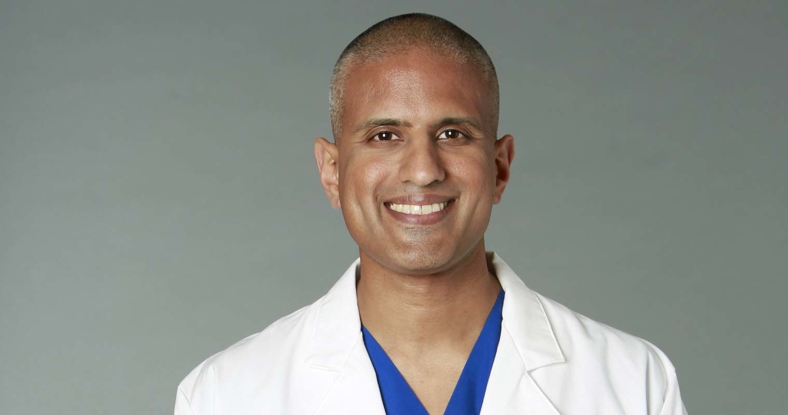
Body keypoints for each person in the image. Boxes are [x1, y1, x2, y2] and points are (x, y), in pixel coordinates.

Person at [174, 13, 687, 415]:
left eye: (452, 134)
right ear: (332, 171)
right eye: (384, 136)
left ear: (500, 167)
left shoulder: (631, 383)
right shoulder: (226, 395)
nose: (423, 171)